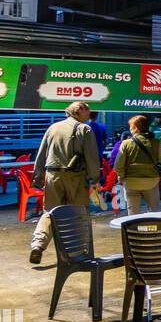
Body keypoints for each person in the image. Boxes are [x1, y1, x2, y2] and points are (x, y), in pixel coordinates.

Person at [29, 101, 103, 264]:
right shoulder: (85, 129)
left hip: (52, 176)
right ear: (78, 111)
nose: (89, 115)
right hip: (75, 178)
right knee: (78, 214)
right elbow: (92, 157)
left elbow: (41, 155)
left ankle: (38, 245)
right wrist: (95, 179)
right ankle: (77, 251)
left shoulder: (53, 128)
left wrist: (38, 178)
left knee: (50, 213)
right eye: (87, 111)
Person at [114, 115, 161, 216]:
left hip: (130, 182)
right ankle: (152, 230)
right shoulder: (156, 143)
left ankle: (134, 230)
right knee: (153, 211)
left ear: (136, 128)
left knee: (133, 213)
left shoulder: (126, 143)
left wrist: (121, 178)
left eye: (131, 127)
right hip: (151, 182)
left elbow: (118, 165)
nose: (130, 129)